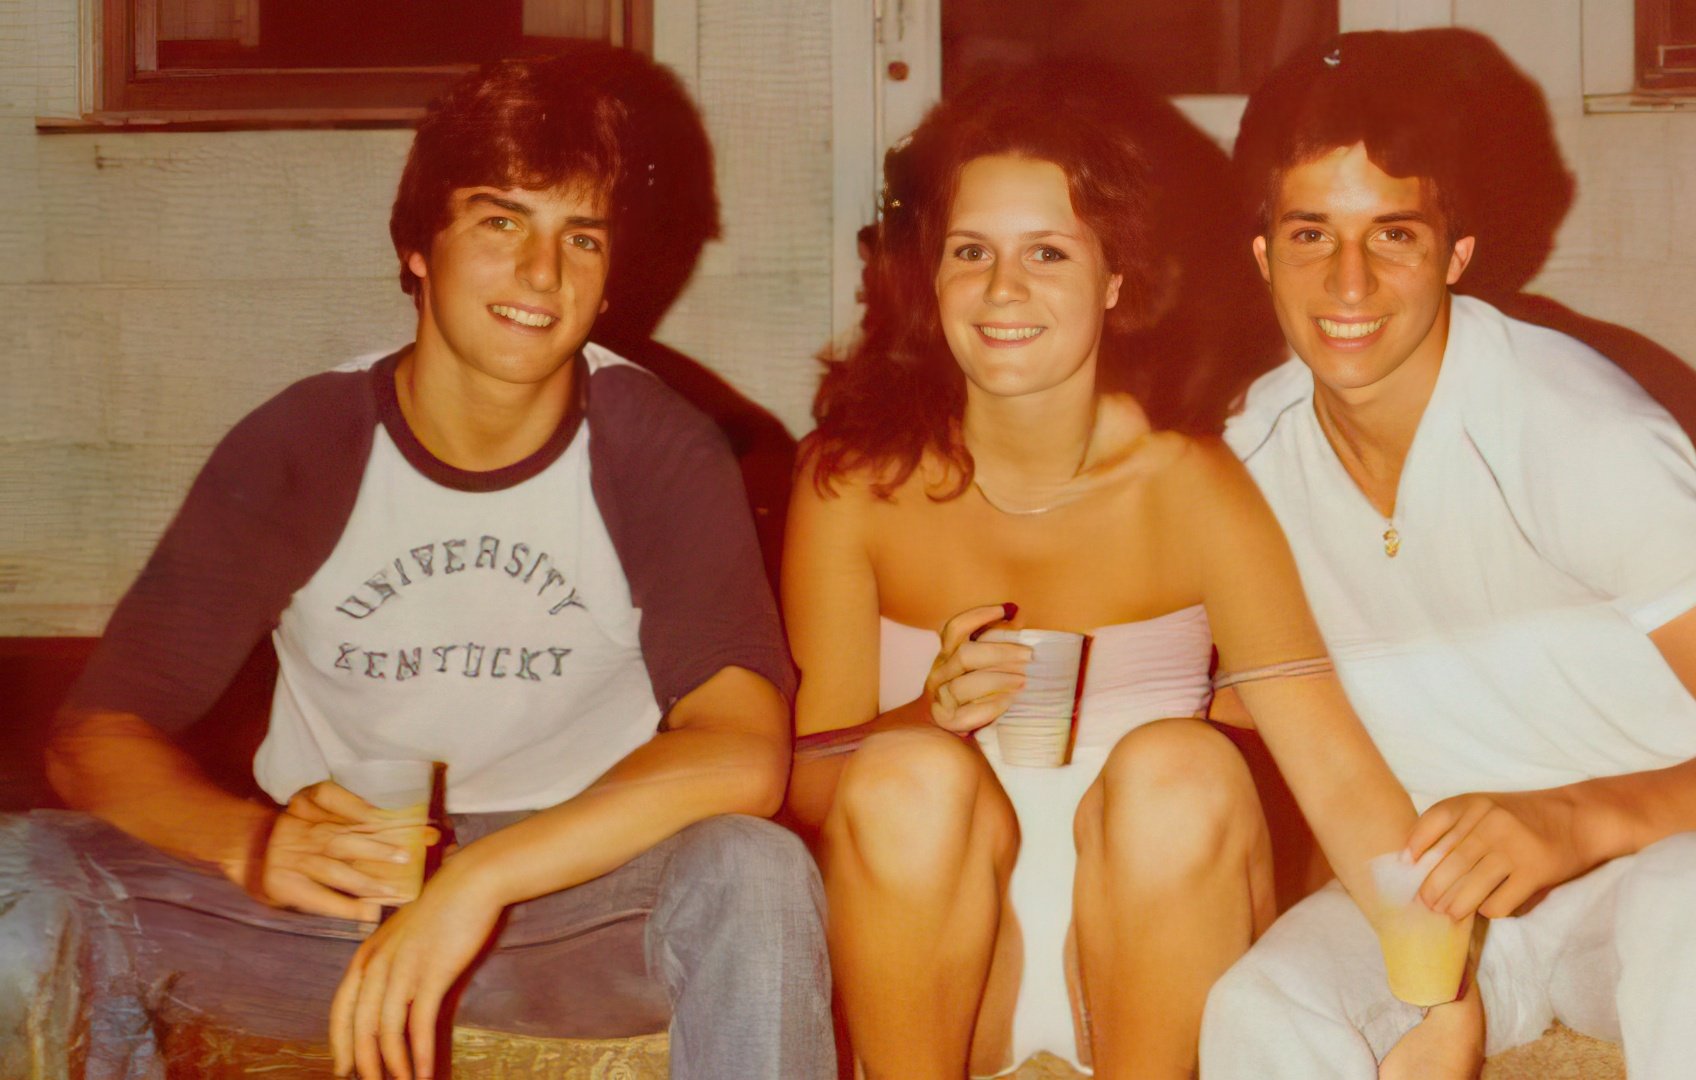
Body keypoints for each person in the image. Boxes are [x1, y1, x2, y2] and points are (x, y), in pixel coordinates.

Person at [3, 48, 832, 1080]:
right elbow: (95, 736)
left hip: (573, 909)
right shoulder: (306, 440)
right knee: (18, 875)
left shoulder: (657, 446)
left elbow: (743, 751)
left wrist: (479, 881)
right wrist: (253, 844)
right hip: (327, 906)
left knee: (754, 872)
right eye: (501, 223)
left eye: (581, 237)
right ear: (417, 249)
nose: (544, 274)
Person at [1201, 29, 1696, 1079]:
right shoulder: (1246, 457)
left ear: (1457, 253)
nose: (1348, 282)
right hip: (1437, 905)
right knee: (1261, 1007)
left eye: (1395, 236)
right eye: (1309, 234)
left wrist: (1576, 819)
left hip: (1650, 872)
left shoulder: (1579, 433)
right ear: (1262, 253)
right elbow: (1246, 696)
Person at [782, 71, 1423, 1079]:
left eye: (1048, 252)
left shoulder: (1191, 486)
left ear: (1116, 277)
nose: (1004, 290)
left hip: (1158, 960)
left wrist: (1437, 982)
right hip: (940, 963)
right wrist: (925, 716)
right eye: (971, 253)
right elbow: (812, 784)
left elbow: (1334, 773)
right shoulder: (851, 484)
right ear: (930, 276)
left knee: (1185, 769)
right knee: (906, 776)